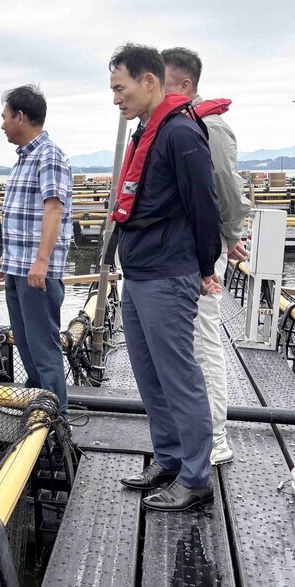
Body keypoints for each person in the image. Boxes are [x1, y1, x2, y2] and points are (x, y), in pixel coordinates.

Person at [109, 44, 222, 512]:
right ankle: (170, 458)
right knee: (149, 375)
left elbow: (205, 206)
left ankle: (196, 477)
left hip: (167, 272)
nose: (116, 98)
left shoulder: (179, 133)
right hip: (138, 272)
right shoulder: (145, 132)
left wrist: (204, 267)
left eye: (121, 88)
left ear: (149, 81)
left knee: (179, 376)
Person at [163, 47, 251, 466]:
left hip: (199, 255)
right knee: (187, 343)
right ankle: (194, 432)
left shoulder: (208, 127)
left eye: (159, 83)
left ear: (185, 86)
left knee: (201, 341)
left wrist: (225, 237)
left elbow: (229, 194)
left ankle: (215, 435)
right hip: (180, 254)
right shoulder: (173, 125)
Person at [0, 85, 72, 413]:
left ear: (20, 117)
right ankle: (36, 397)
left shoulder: (48, 154)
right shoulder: (25, 158)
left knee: (43, 346)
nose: (2, 124)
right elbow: (23, 216)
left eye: (5, 117)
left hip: (36, 272)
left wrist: (41, 262)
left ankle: (56, 416)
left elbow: (54, 209)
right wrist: (7, 257)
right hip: (18, 266)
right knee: (25, 342)